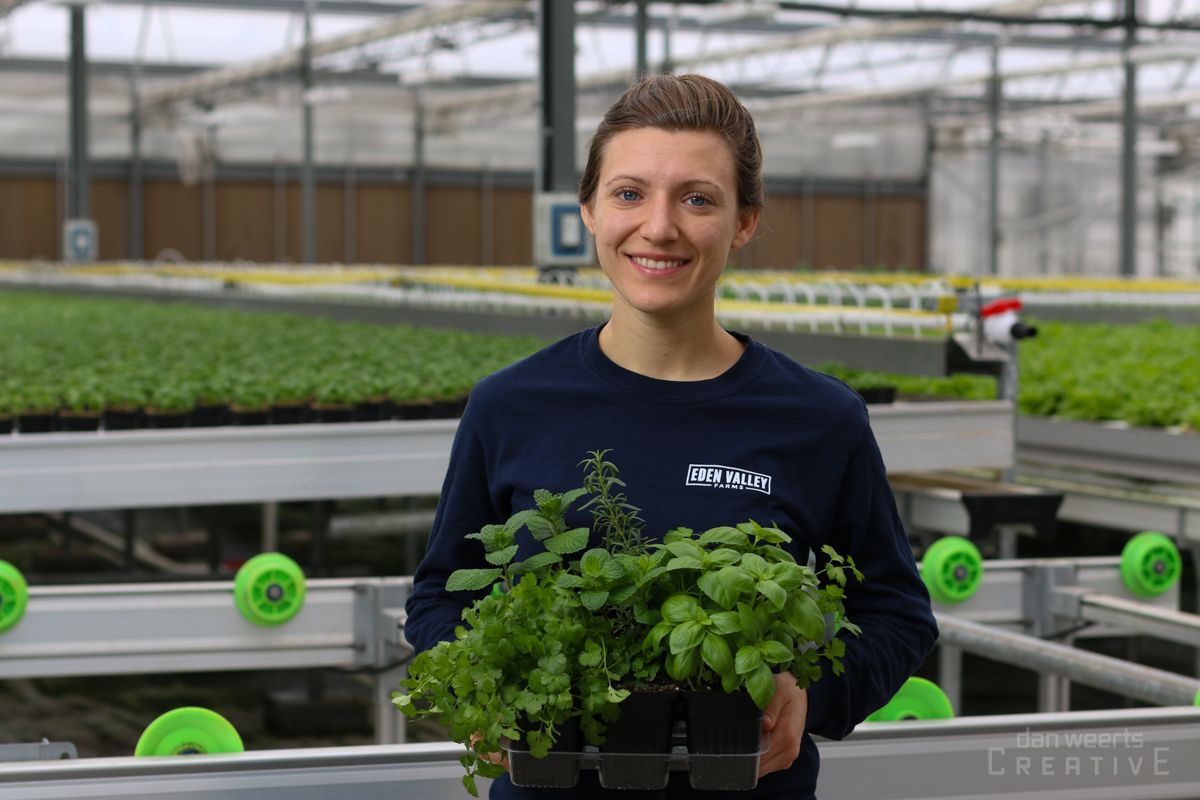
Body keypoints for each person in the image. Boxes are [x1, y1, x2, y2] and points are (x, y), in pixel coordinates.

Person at [405, 73, 938, 799]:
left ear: (744, 220)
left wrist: (817, 695)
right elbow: (439, 595)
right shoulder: (510, 405)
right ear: (588, 210)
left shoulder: (819, 418)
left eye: (697, 198)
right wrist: (486, 693)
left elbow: (897, 613)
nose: (659, 227)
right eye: (628, 193)